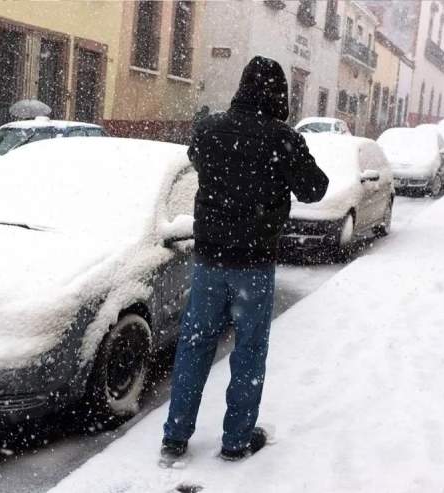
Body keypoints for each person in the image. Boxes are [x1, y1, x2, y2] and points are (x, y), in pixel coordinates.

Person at [161, 56, 329, 462]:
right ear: (280, 94)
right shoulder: (282, 139)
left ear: (241, 86)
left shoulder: (208, 130)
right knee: (249, 351)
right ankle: (235, 440)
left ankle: (176, 435)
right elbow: (314, 189)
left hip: (209, 260)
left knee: (194, 345)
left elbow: (197, 159)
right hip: (253, 264)